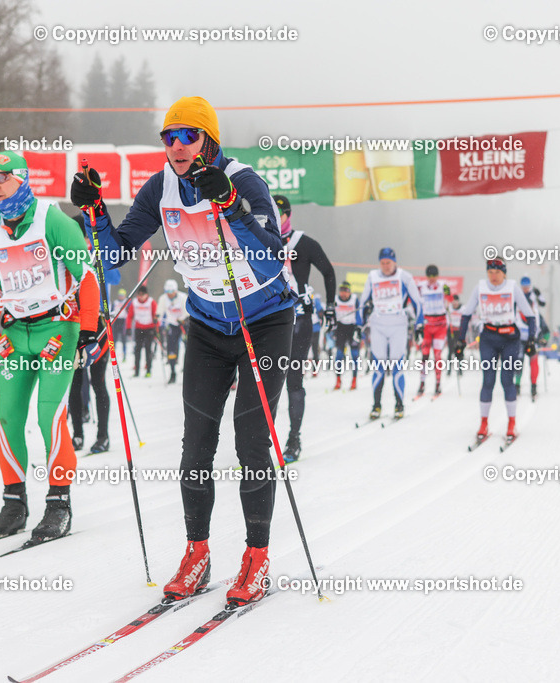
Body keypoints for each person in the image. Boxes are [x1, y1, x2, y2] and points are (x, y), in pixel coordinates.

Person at [70, 96, 294, 606]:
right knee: (196, 446)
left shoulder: (246, 179)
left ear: (208, 141)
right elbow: (114, 252)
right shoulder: (161, 186)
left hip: (264, 320)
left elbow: (269, 257)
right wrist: (93, 211)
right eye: (168, 137)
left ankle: (256, 559)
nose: (176, 147)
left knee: (252, 443)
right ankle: (198, 552)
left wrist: (231, 205)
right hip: (208, 325)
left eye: (187, 136)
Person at [0, 150, 101, 545]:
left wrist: (90, 331)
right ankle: (14, 504)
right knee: (8, 417)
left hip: (57, 329)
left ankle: (59, 504)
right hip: (13, 333)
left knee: (49, 418)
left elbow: (87, 277)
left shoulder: (52, 220)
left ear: (21, 179)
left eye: (1, 177)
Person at [273, 193, 337, 462]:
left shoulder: (303, 242)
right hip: (269, 320)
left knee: (293, 381)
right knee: (266, 382)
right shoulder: (257, 240)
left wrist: (331, 306)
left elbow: (329, 272)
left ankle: (293, 439)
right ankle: (260, 439)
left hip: (299, 319)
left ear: (288, 215)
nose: (275, 220)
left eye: (280, 214)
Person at [457, 258, 536, 442]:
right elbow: (467, 313)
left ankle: (511, 423)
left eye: (497, 273)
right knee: (488, 381)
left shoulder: (512, 287)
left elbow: (530, 316)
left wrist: (531, 340)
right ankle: (484, 423)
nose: (493, 277)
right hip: (489, 339)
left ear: (504, 273)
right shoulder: (480, 288)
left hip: (510, 339)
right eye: (490, 273)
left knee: (506, 380)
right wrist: (460, 340)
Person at [360, 247, 422, 420]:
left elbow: (417, 303)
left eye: (389, 263)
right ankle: (376, 405)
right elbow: (363, 301)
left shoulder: (404, 277)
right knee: (378, 367)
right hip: (378, 323)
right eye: (383, 263)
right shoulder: (372, 277)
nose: (386, 266)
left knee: (397, 366)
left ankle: (399, 404)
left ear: (395, 262)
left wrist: (419, 325)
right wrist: (359, 325)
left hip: (398, 325)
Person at [68, 316, 111, 454]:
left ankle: (103, 436)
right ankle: (77, 436)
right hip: (73, 329)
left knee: (98, 384)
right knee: (74, 386)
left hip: (97, 332)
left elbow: (104, 300)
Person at [415, 265, 451, 398]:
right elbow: (415, 302)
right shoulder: (420, 287)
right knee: (424, 355)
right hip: (427, 325)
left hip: (440, 325)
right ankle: (422, 383)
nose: (431, 279)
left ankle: (437, 384)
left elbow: (451, 300)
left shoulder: (443, 286)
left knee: (437, 355)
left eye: (434, 276)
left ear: (437, 276)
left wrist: (448, 295)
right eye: (429, 276)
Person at [514, 276, 541, 398]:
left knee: (534, 363)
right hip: (520, 340)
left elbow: (543, 327)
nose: (525, 289)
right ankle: (517, 386)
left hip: (532, 340)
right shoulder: (517, 302)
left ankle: (534, 386)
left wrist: (543, 338)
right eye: (523, 287)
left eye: (527, 287)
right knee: (518, 362)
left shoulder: (533, 302)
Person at [331, 281, 362, 391]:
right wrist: (331, 325)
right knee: (339, 355)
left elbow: (359, 314)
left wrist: (359, 327)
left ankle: (354, 380)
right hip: (340, 328)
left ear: (349, 292)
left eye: (346, 291)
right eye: (342, 291)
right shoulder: (336, 299)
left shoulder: (354, 299)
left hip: (352, 328)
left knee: (354, 355)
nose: (343, 294)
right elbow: (332, 314)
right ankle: (338, 380)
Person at [158, 279, 188, 384]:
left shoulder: (183, 297)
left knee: (188, 346)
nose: (169, 294)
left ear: (175, 291)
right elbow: (159, 312)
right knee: (171, 348)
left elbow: (187, 312)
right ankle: (172, 372)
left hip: (184, 324)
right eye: (167, 292)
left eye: (171, 292)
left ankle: (187, 370)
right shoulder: (163, 298)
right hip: (172, 325)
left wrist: (183, 319)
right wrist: (156, 320)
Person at [128, 285, 158, 377]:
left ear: (147, 294)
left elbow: (156, 316)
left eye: (143, 294)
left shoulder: (151, 302)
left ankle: (148, 370)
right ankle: (136, 371)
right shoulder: (134, 302)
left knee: (148, 350)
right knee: (137, 350)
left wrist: (157, 329)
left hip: (149, 329)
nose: (141, 296)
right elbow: (130, 316)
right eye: (139, 294)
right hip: (139, 329)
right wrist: (128, 328)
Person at [110, 288, 129, 361]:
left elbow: (129, 311)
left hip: (123, 321)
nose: (121, 297)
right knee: (114, 339)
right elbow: (112, 311)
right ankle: (112, 355)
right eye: (120, 295)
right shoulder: (115, 302)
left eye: (122, 295)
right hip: (116, 321)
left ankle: (124, 355)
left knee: (124, 340)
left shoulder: (126, 301)